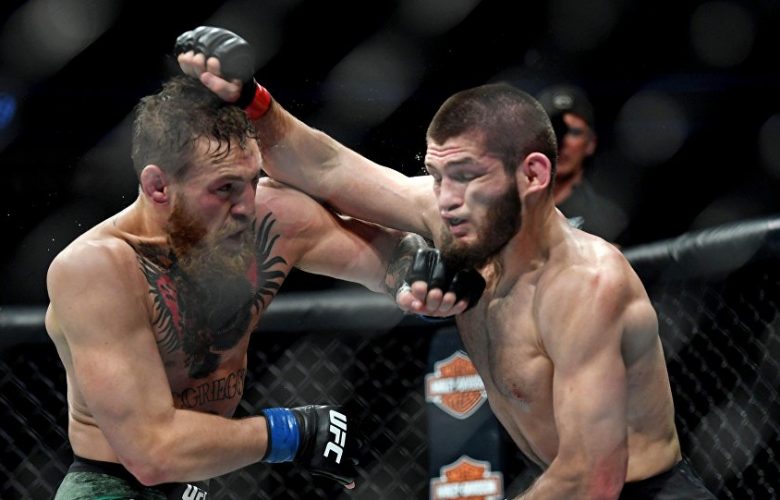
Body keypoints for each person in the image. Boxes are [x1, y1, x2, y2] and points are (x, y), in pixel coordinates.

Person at [176, 26, 717, 499]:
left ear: (532, 175)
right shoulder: (449, 216)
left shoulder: (587, 284)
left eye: (466, 176)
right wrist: (252, 101)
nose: (447, 198)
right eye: (436, 176)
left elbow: (594, 479)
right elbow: (325, 167)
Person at [45, 69, 482, 497]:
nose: (245, 206)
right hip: (113, 486)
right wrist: (294, 431)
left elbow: (392, 258)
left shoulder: (271, 217)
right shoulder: (97, 269)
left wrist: (424, 274)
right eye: (224, 188)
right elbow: (152, 452)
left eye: (252, 180)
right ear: (159, 186)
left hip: (202, 480)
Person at [536, 83, 628, 244]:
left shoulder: (608, 221)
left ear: (591, 143)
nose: (562, 142)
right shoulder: (509, 209)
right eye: (553, 131)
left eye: (574, 132)